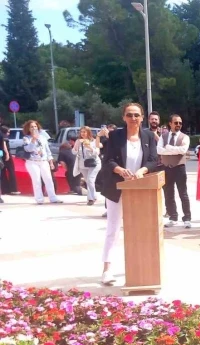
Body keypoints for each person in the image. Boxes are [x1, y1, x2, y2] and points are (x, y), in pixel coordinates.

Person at [99, 103, 158, 285]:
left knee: (140, 229)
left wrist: (142, 171)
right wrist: (119, 170)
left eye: (137, 115)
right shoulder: (115, 136)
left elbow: (153, 160)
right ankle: (107, 269)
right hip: (116, 188)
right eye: (130, 115)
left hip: (140, 189)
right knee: (113, 228)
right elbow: (107, 160)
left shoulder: (148, 136)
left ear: (142, 118)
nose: (133, 118)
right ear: (124, 117)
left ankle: (140, 266)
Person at [158, 114, 192, 228]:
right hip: (167, 168)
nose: (178, 125)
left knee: (183, 193)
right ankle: (173, 217)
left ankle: (187, 218)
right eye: (176, 122)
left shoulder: (185, 137)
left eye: (180, 123)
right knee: (168, 194)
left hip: (179, 168)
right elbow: (159, 150)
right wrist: (173, 150)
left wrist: (168, 148)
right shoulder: (163, 136)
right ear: (170, 123)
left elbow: (183, 150)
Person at [22, 120, 62, 205]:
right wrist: (33, 139)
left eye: (35, 126)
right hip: (32, 161)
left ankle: (53, 197)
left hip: (43, 161)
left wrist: (51, 162)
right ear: (28, 128)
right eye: (31, 127)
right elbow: (28, 149)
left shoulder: (43, 138)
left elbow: (47, 151)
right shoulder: (26, 138)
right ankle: (39, 199)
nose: (34, 128)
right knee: (36, 180)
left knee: (48, 179)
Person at [73, 126, 102, 204]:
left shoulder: (94, 141)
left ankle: (92, 197)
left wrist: (89, 147)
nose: (83, 134)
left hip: (94, 163)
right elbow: (74, 152)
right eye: (81, 132)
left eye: (84, 132)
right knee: (88, 181)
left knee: (90, 180)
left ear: (88, 132)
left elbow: (97, 152)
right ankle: (92, 197)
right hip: (83, 164)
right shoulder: (78, 141)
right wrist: (76, 146)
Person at [1, 126, 19, 195]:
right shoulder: (4, 136)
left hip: (1, 155)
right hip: (6, 155)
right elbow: (4, 145)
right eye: (8, 132)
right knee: (11, 171)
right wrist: (7, 154)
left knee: (3, 173)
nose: (8, 134)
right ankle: (13, 189)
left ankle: (5, 189)